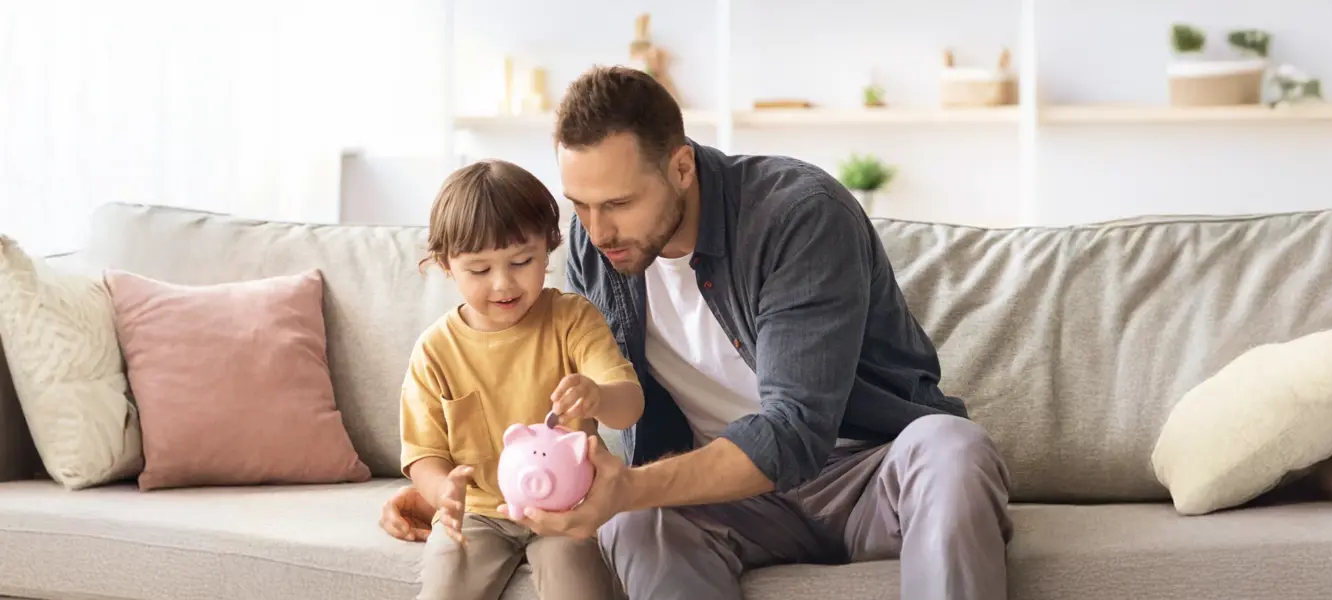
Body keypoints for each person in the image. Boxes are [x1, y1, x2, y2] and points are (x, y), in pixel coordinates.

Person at [382, 65, 1013, 600]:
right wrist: (455, 489)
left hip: (868, 474)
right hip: (731, 498)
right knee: (635, 526)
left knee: (951, 449)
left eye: (620, 204)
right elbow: (558, 390)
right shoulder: (593, 247)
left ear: (681, 166)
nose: (597, 232)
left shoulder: (798, 216)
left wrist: (629, 487)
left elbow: (793, 433)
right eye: (580, 204)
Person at [398, 158, 642, 600]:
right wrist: (443, 492)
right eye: (479, 270)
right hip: (479, 513)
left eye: (522, 261)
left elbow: (629, 407)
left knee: (578, 585)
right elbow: (424, 454)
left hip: (569, 507)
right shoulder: (435, 351)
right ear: (444, 264)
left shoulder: (572, 320)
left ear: (548, 247)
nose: (503, 283)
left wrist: (597, 397)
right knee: (444, 587)